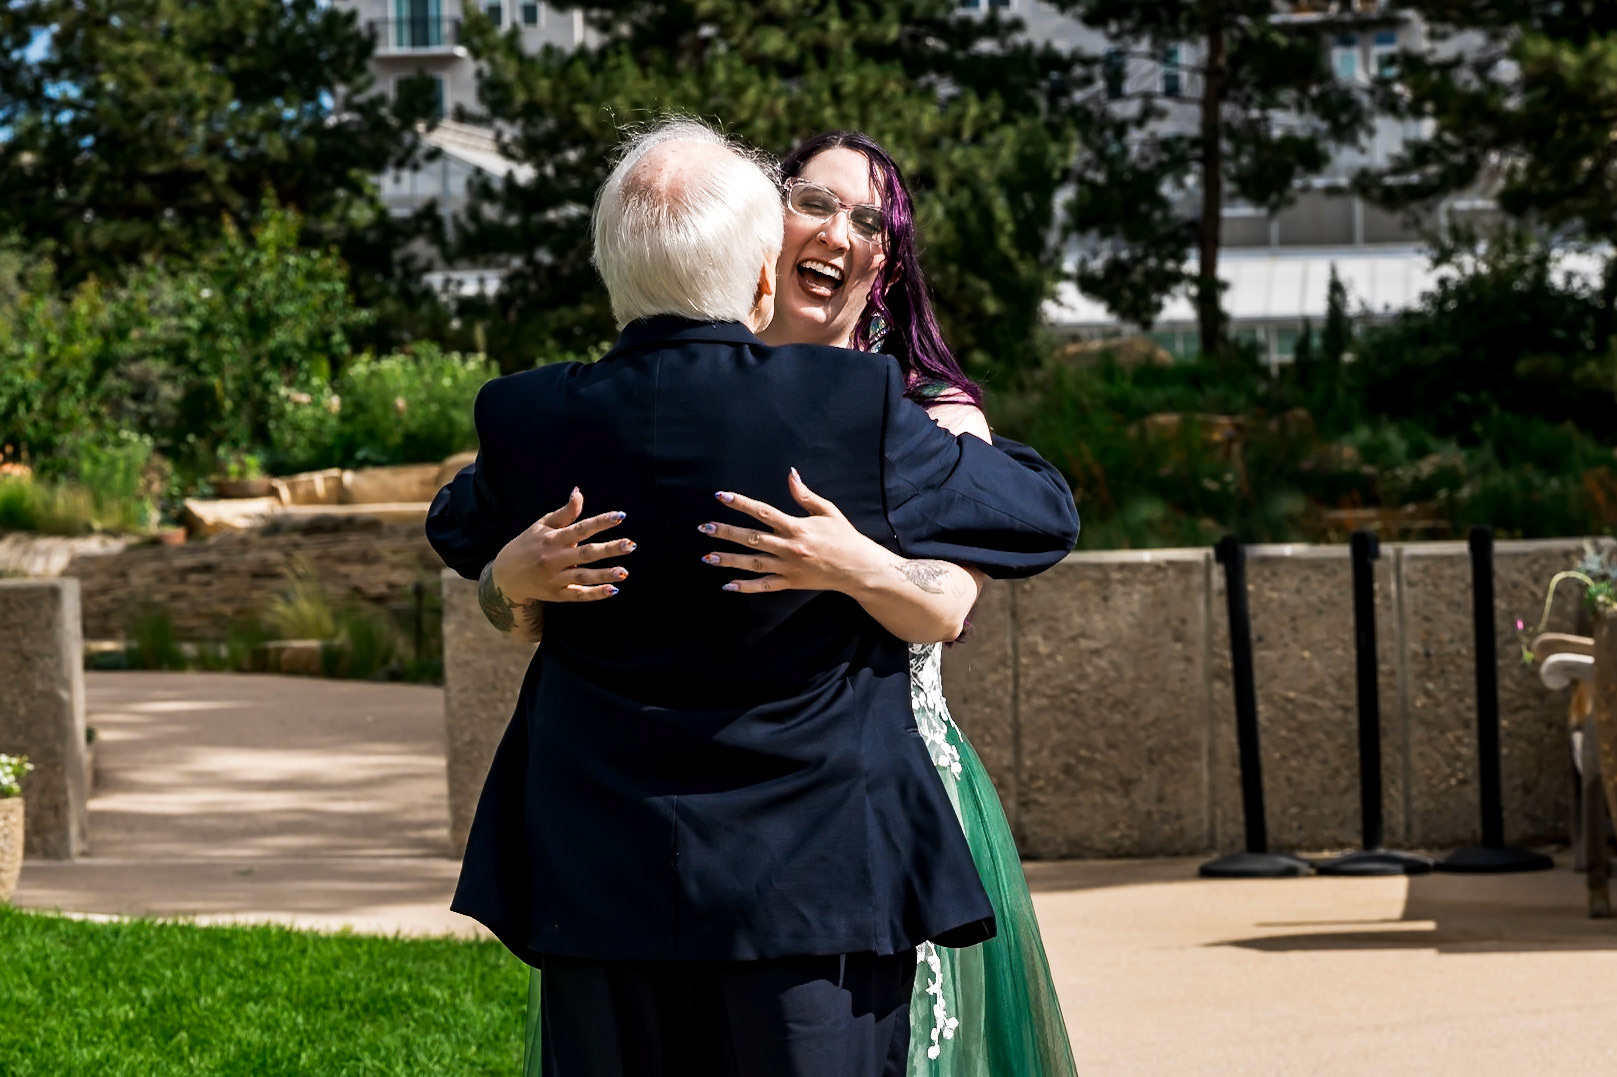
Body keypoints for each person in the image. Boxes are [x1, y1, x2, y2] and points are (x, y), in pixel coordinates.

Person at [428, 117, 1079, 1077]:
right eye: (811, 205)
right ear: (762, 269)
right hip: (812, 879)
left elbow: (454, 522)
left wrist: (501, 575)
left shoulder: (529, 417)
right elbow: (1040, 514)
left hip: (599, 879)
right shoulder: (849, 409)